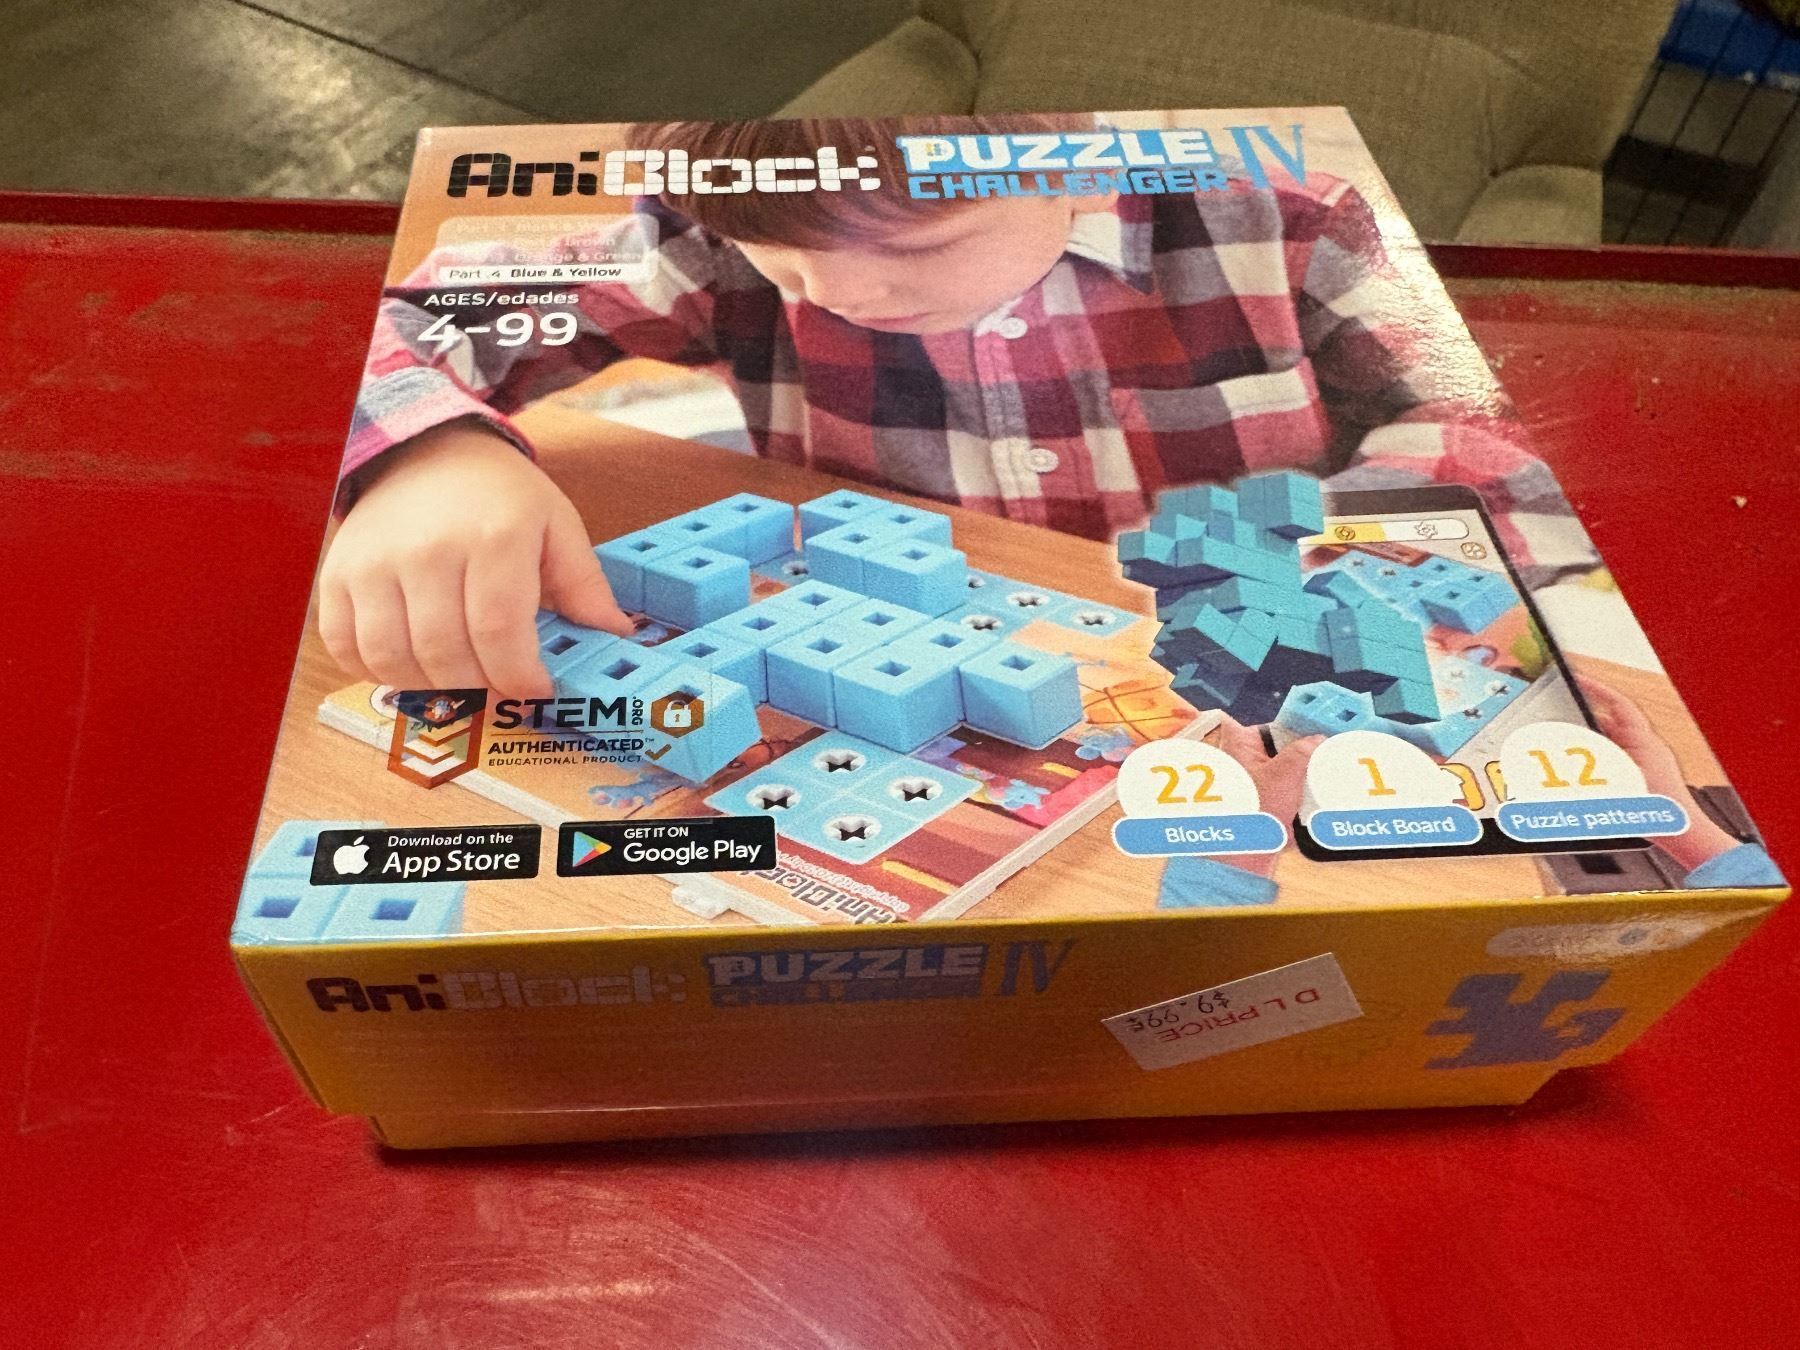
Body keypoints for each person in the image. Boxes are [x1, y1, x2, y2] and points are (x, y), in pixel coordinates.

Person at [322, 113, 1588, 699]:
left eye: (922, 249)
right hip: (908, 649)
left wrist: (1333, 576)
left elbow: (1489, 435)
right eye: (777, 255)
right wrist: (433, 454)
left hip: (1242, 673)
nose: (837, 292)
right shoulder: (716, 235)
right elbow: (418, 314)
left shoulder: (1287, 220)